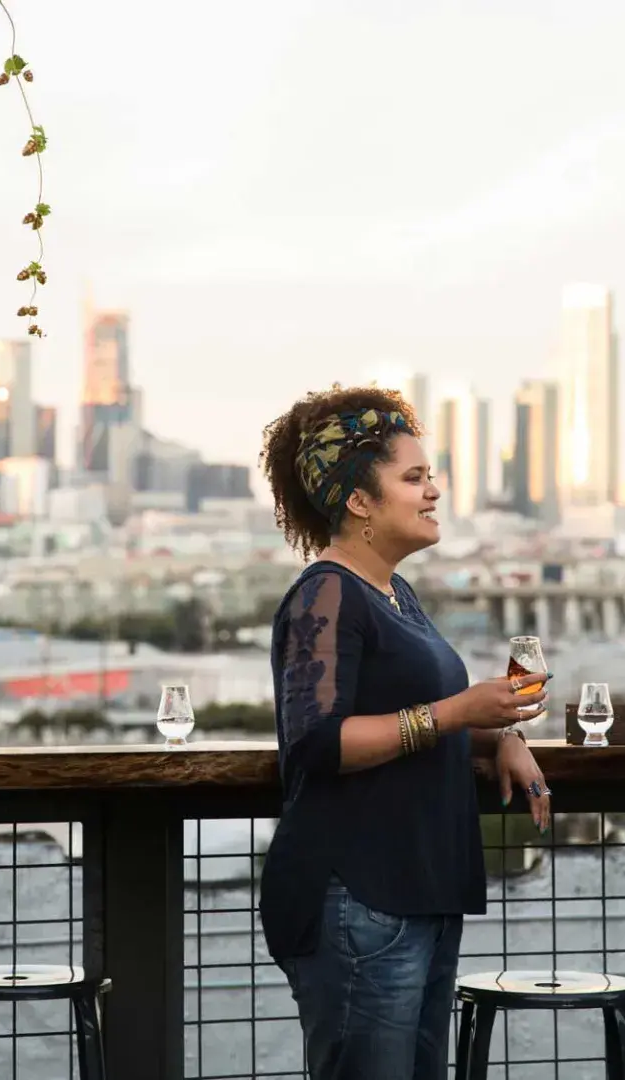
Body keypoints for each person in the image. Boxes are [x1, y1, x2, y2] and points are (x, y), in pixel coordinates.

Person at [255, 386, 555, 1080]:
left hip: (414, 890)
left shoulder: (394, 593)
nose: (433, 491)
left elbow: (415, 711)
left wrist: (496, 737)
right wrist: (459, 713)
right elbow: (318, 741)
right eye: (413, 478)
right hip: (358, 896)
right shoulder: (325, 593)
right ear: (360, 502)